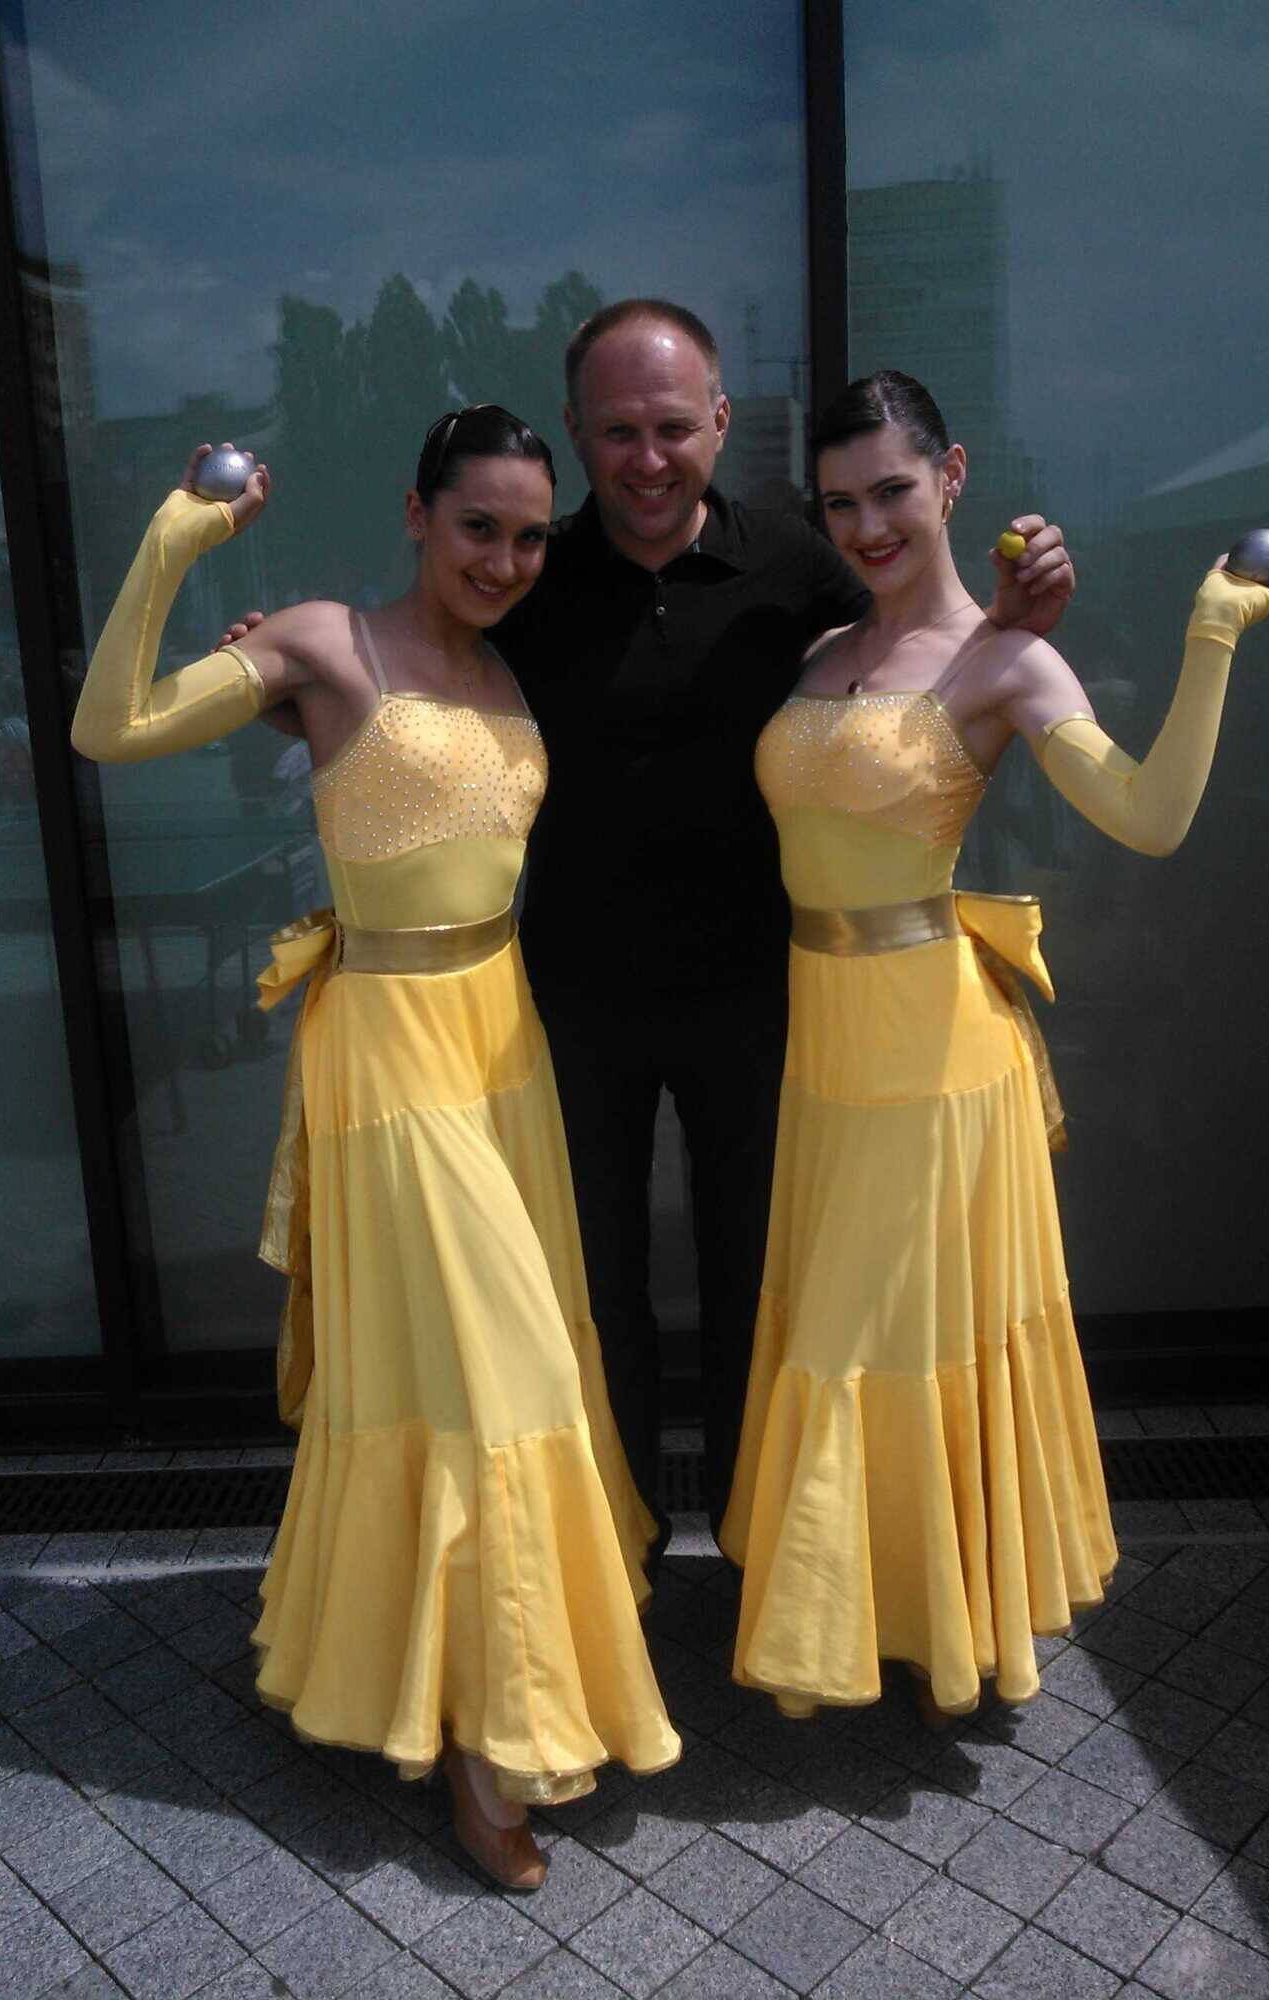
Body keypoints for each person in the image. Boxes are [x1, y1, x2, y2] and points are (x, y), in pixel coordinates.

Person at [70, 410, 680, 1891]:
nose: (507, 559)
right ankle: (486, 1748)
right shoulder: (324, 643)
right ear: (416, 514)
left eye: (529, 536)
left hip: (503, 1043)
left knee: (486, 1368)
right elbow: (110, 726)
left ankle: (461, 1669)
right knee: (499, 1375)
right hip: (388, 1051)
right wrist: (182, 534)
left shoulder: (512, 668)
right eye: (479, 527)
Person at [718, 370, 1269, 1721]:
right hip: (826, 1055)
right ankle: (881, 1616)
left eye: (893, 491)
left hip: (936, 1060)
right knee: (855, 1327)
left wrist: (1213, 633)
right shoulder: (820, 652)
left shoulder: (1007, 659)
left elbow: (1150, 817)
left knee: (891, 1332)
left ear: (952, 477)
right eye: (840, 503)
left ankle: (923, 1628)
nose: (868, 526)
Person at [492, 302, 1075, 1540]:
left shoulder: (799, 565)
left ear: (719, 419)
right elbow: (426, 665)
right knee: (588, 1286)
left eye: (672, 426)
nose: (648, 457)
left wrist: (1016, 623)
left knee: (767, 1284)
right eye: (616, 431)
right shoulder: (535, 577)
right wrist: (295, 686)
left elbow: (919, 651)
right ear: (576, 434)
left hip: (768, 999)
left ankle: (767, 1546)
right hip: (574, 1000)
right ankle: (615, 1551)